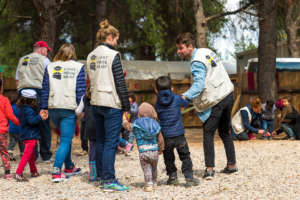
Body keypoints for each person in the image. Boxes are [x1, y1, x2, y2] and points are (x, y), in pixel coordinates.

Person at [176, 32, 237, 180]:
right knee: (224, 131)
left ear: (190, 46)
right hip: (228, 93)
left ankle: (209, 169)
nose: (178, 51)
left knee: (208, 133)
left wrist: (184, 97)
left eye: (181, 48)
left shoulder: (196, 61)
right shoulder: (206, 51)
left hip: (217, 98)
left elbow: (198, 85)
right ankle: (232, 165)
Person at [86, 20, 130, 191]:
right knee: (111, 143)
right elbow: (120, 83)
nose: (117, 43)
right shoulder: (113, 55)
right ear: (110, 37)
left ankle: (100, 177)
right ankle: (109, 179)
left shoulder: (90, 56)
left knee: (101, 141)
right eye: (116, 39)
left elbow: (89, 81)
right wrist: (126, 106)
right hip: (111, 103)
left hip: (95, 102)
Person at [41, 43, 86, 182]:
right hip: (69, 107)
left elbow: (45, 89)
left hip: (53, 107)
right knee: (66, 140)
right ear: (72, 53)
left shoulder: (50, 66)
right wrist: (81, 108)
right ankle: (56, 172)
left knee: (64, 139)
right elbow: (80, 90)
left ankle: (69, 166)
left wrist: (43, 107)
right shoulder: (78, 67)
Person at [154, 76, 199, 186]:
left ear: (156, 90)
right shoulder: (176, 98)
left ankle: (173, 177)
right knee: (185, 156)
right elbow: (186, 103)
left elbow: (156, 116)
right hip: (179, 134)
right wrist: (185, 97)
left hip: (166, 136)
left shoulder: (157, 103)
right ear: (172, 88)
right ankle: (189, 178)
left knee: (168, 157)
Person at [16, 41, 53, 162]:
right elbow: (49, 79)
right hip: (38, 92)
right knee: (43, 121)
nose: (46, 54)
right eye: (46, 51)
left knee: (27, 121)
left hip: (23, 91)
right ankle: (46, 155)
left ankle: (31, 155)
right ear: (42, 50)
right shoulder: (44, 60)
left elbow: (17, 80)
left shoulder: (22, 59)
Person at [128, 102, 164, 192]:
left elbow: (132, 133)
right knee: (154, 167)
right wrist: (161, 148)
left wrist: (129, 143)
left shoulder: (136, 123)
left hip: (143, 151)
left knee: (147, 168)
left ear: (139, 113)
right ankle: (155, 182)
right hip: (154, 151)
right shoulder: (155, 124)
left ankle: (149, 184)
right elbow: (161, 138)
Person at [15, 89, 47, 181]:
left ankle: (34, 171)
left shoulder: (23, 108)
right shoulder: (29, 110)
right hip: (30, 135)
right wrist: (40, 117)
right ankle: (18, 173)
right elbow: (31, 121)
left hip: (27, 134)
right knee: (26, 155)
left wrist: (38, 115)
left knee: (31, 155)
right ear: (32, 100)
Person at [75, 87, 98, 182]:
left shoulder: (84, 97)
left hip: (89, 126)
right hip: (99, 125)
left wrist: (85, 113)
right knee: (101, 148)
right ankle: (101, 172)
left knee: (92, 149)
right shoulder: (99, 96)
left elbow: (77, 111)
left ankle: (93, 175)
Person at [0, 79, 20, 179]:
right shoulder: (4, 100)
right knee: (4, 151)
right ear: (2, 87)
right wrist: (18, 122)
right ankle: (7, 173)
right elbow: (10, 115)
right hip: (2, 131)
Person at [7, 91, 24, 160]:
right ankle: (22, 154)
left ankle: (10, 154)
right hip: (19, 129)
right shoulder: (20, 108)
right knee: (21, 143)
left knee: (12, 142)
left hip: (11, 129)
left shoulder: (10, 107)